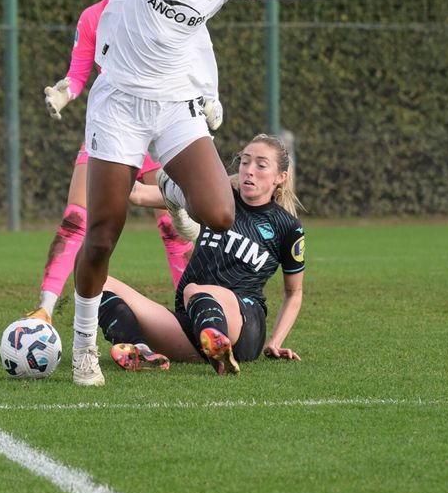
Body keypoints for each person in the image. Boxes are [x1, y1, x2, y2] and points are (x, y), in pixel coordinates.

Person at [70, 0, 435, 386]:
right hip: (117, 103)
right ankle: (83, 347)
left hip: (173, 106)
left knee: (217, 212)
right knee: (102, 234)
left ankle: (169, 187)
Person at [26, 0, 204, 324]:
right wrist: (65, 91)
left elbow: (189, 61)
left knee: (176, 225)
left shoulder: (163, 9)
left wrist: (205, 95)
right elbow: (78, 71)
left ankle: (193, 311)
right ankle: (45, 309)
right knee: (77, 220)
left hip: (156, 131)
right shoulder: (93, 16)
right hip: (109, 130)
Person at [98, 133, 305, 375]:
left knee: (194, 290)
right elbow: (138, 194)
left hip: (244, 324)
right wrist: (109, 152)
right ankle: (140, 350)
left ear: (281, 177)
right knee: (97, 283)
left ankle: (220, 349)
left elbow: (294, 293)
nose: (249, 170)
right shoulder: (216, 201)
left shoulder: (287, 227)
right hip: (193, 323)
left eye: (261, 165)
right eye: (245, 161)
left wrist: (275, 343)